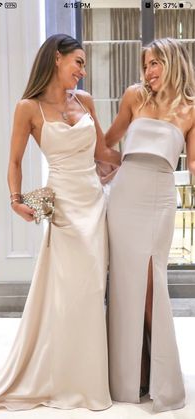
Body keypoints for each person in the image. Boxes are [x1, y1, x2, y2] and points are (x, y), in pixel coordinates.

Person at [0, 33, 120, 412]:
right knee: (69, 294)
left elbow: (101, 152)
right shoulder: (27, 108)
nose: (82, 70)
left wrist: (144, 146)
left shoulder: (86, 101)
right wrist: (15, 200)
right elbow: (13, 161)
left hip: (94, 205)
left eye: (83, 63)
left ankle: (88, 378)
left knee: (92, 290)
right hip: (62, 209)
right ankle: (62, 376)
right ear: (57, 59)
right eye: (78, 61)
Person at [106, 37, 195, 413]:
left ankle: (157, 375)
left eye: (156, 63)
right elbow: (107, 143)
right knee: (126, 283)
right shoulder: (133, 97)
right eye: (145, 65)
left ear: (173, 62)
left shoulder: (191, 108)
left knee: (150, 281)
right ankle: (135, 377)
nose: (149, 72)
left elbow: (193, 164)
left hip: (160, 199)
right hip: (125, 195)